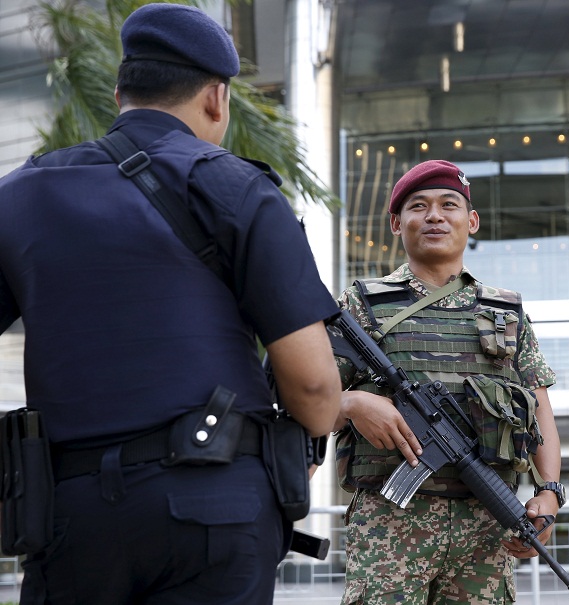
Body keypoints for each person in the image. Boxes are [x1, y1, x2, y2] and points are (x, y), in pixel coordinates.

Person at [0, 3, 341, 604]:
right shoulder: (238, 188)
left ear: (118, 95)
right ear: (216, 98)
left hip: (68, 516)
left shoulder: (20, 196)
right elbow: (314, 391)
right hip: (215, 507)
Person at [334, 159, 564, 604]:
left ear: (471, 221)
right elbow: (310, 397)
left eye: (448, 205)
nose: (435, 216)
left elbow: (540, 412)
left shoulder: (506, 312)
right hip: (390, 521)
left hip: (488, 522)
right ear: (397, 224)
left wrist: (549, 493)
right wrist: (353, 404)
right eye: (418, 206)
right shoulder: (360, 305)